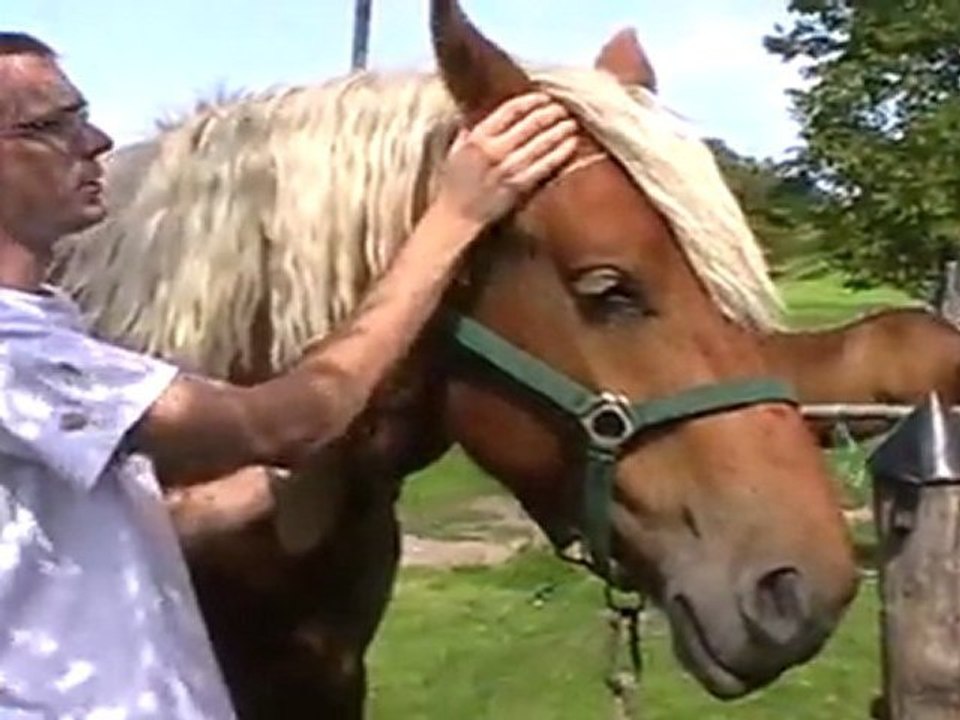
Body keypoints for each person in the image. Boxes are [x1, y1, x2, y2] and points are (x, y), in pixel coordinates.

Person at [0, 31, 578, 718]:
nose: (95, 139)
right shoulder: (15, 353)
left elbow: (137, 525)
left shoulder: (51, 325)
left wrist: (299, 474)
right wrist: (454, 218)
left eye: (81, 111)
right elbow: (282, 424)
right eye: (51, 125)